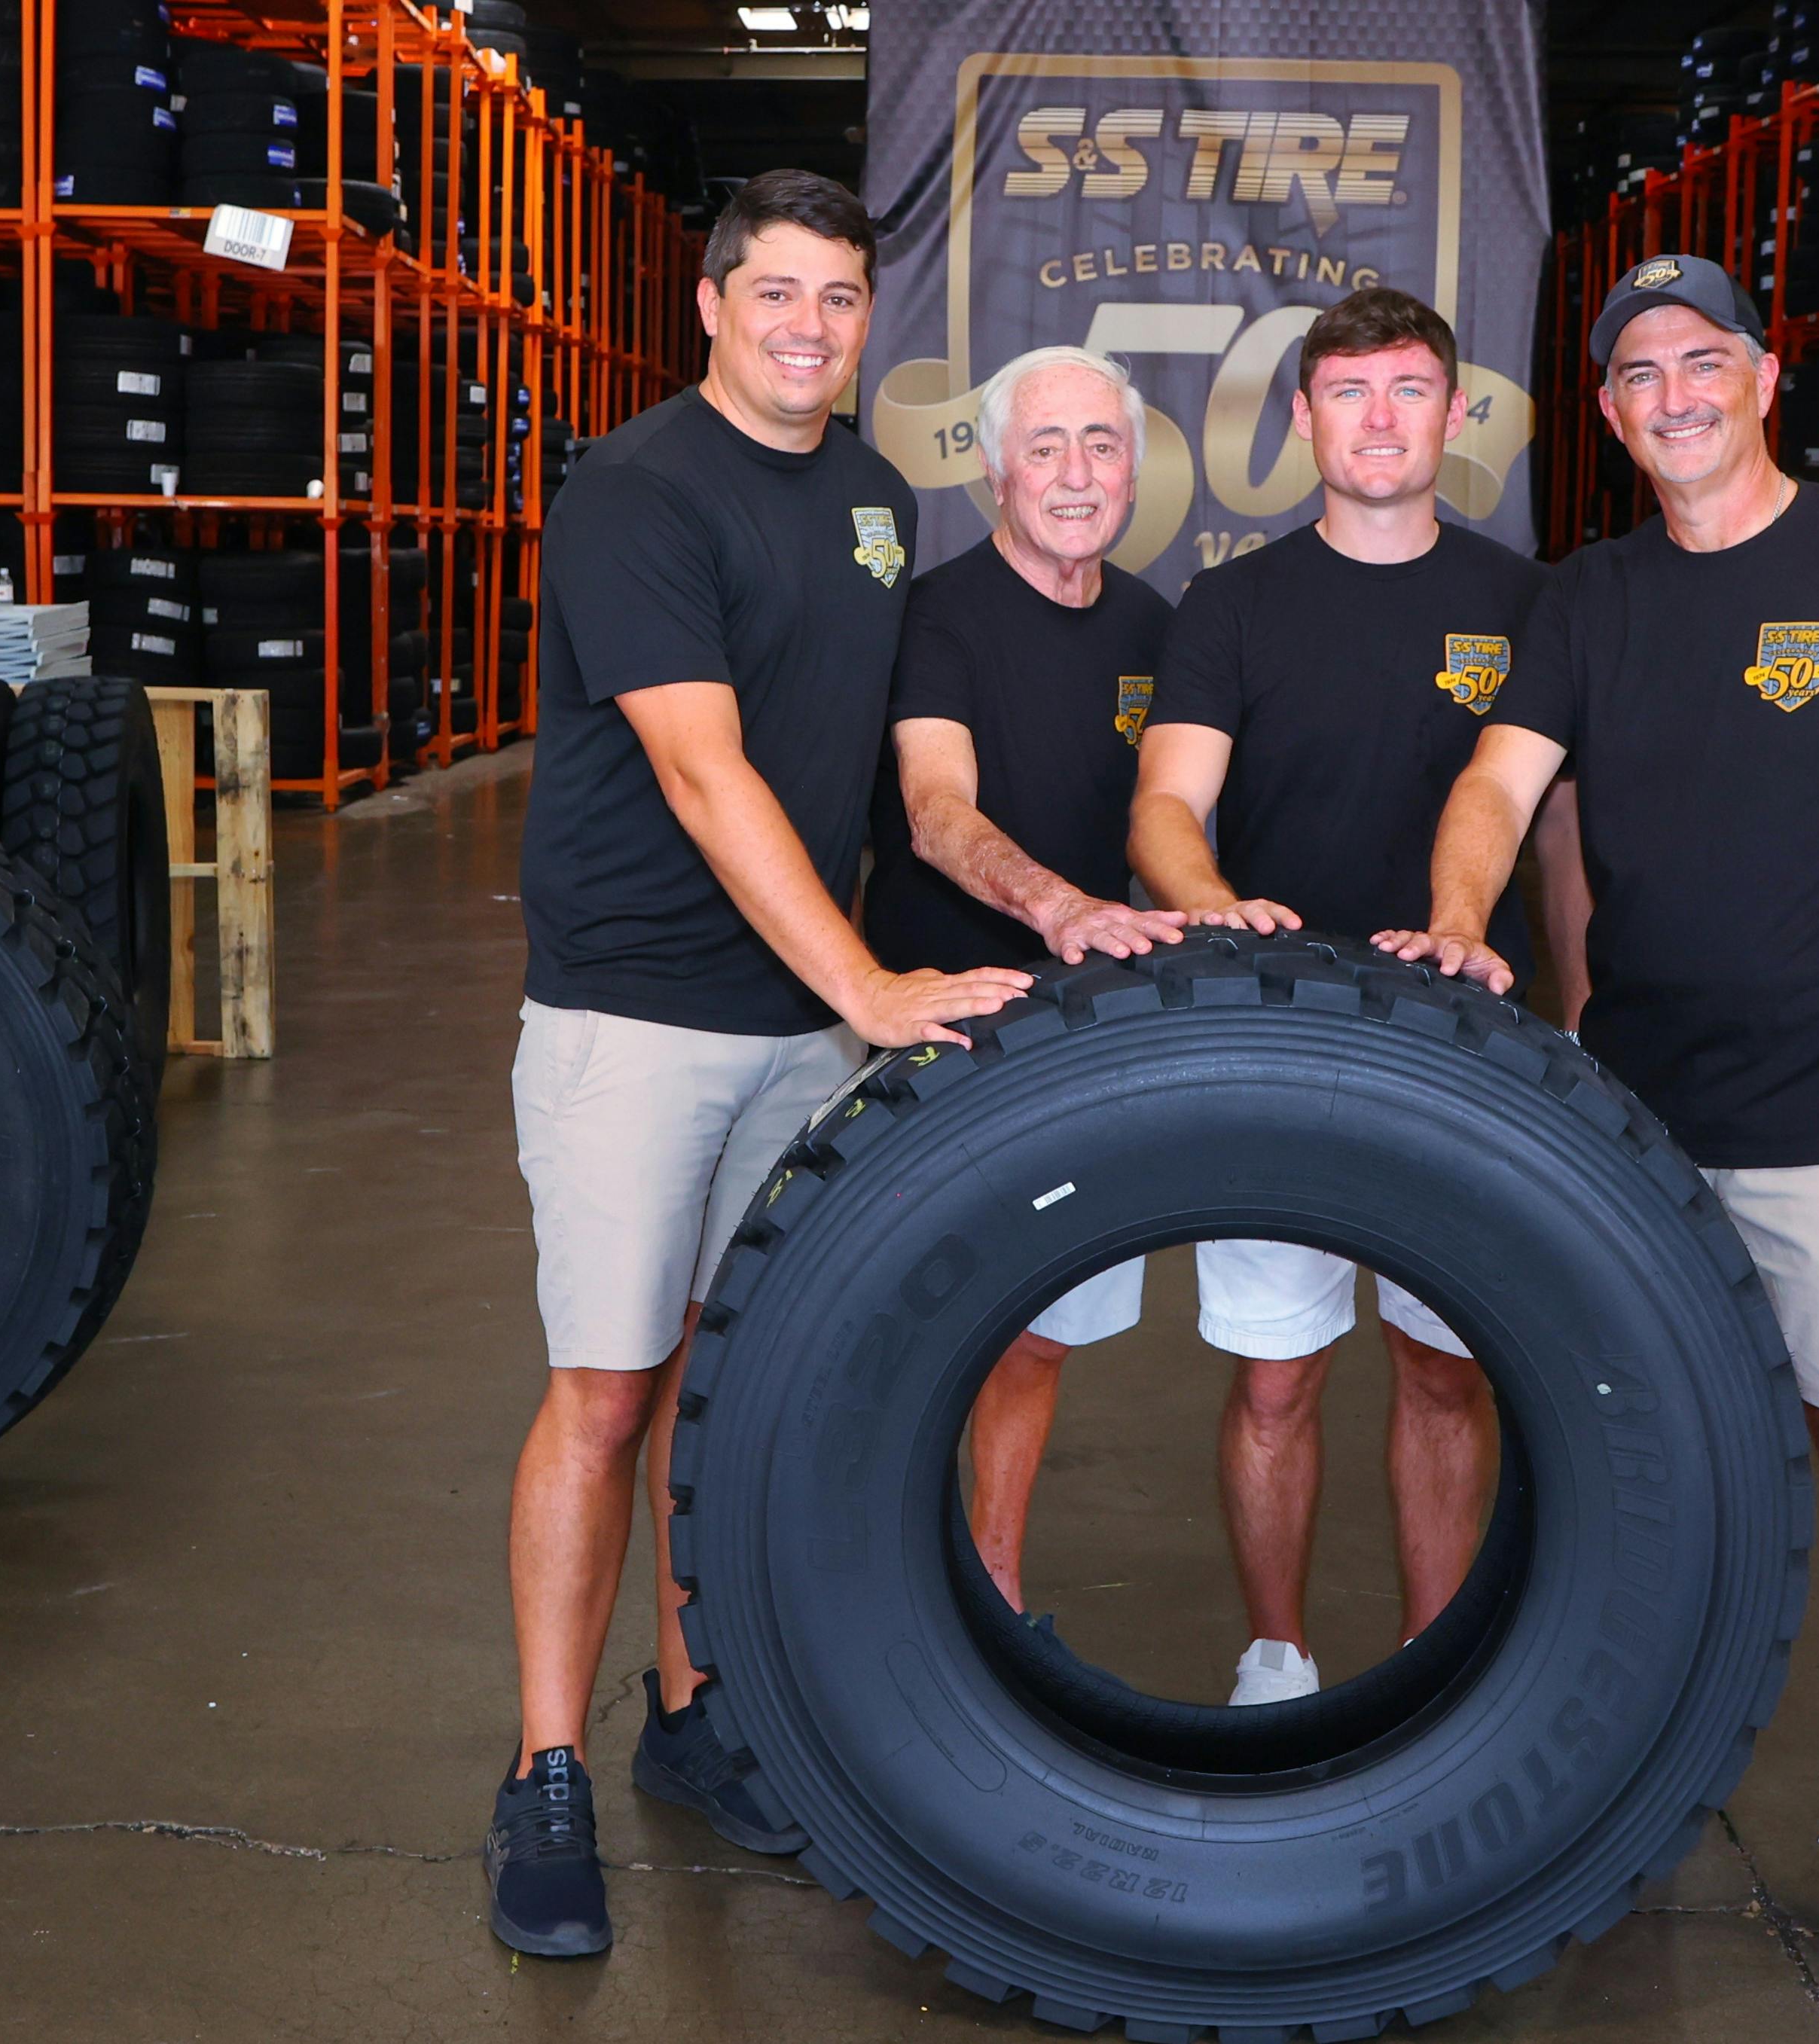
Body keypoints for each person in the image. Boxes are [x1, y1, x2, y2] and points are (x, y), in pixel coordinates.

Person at [1373, 253, 1819, 1969]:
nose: (1671, 395)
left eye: (1699, 360)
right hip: (1636, 1106)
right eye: (1636, 375)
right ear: (1608, 416)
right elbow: (1496, 783)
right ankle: (1603, 1774)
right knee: (1619, 1443)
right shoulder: (1589, 596)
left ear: (1761, 377)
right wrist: (1457, 921)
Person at [489, 169, 1033, 1962]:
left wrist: (1031, 904)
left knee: (726, 1398)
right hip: (637, 1019)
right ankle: (545, 1771)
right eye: (777, 293)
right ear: (712, 305)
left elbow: (886, 764)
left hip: (796, 1030)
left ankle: (693, 1712)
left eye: (840, 299)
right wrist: (868, 981)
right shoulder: (635, 490)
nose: (809, 327)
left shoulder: (876, 500)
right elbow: (703, 770)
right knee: (609, 1394)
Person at [1128, 285, 1561, 1707]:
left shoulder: (1525, 603)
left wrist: (1580, 1012)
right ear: (1303, 414)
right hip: (1276, 1033)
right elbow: (1165, 805)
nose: (1380, 418)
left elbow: (1559, 834)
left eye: (1409, 389)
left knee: (1444, 1370)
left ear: (1455, 410)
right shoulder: (1232, 603)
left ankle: (1433, 1666)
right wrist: (1209, 903)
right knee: (1275, 1378)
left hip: (1470, 1044)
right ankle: (1277, 1658)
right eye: (1350, 391)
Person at [857, 343, 1189, 1611]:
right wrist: (1059, 908)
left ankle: (992, 1597)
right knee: (910, 1333)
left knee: (1040, 1333)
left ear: (1134, 471)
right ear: (994, 471)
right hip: (939, 1030)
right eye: (1044, 447)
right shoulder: (938, 615)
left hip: (1083, 1037)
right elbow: (934, 809)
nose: (1074, 472)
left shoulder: (1154, 627)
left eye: (1101, 444)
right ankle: (883, 1595)